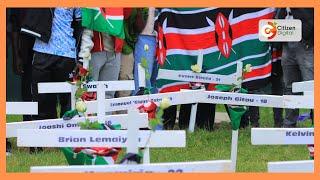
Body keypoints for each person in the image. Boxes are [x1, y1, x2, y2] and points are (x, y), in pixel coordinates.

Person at [22, 8, 82, 153]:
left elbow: (80, 25)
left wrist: (79, 56)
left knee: (67, 101)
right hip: (42, 50)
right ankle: (38, 142)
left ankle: (67, 141)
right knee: (40, 99)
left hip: (67, 52)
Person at [278, 8, 314, 127]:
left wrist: (310, 38)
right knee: (289, 86)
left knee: (311, 87)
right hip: (287, 44)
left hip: (306, 44)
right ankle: (289, 124)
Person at [78, 28, 123, 113]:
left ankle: (106, 124)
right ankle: (88, 125)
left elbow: (126, 16)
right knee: (89, 94)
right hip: (94, 49)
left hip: (115, 50)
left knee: (108, 95)